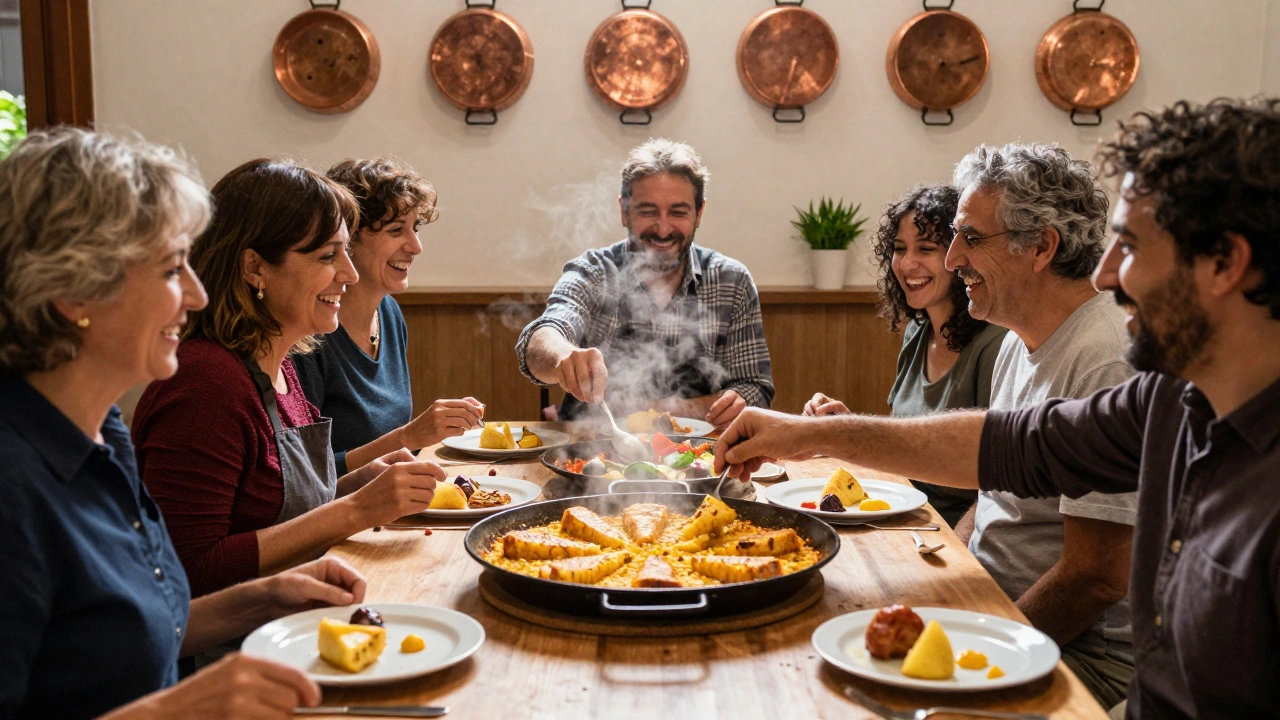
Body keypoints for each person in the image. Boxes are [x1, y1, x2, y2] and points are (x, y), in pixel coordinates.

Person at [714, 97, 1280, 718]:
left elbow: (1095, 579)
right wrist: (805, 436)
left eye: (1133, 246)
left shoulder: (1120, 362)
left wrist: (981, 646)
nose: (1108, 274)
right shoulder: (1173, 398)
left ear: (1226, 262)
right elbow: (1008, 446)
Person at [0, 128, 365, 719]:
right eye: (172, 269)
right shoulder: (14, 488)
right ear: (74, 291)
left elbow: (145, 629)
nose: (196, 295)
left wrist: (263, 596)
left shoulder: (100, 435)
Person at [773, 143, 1139, 710]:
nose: (951, 261)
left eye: (971, 238)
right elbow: (993, 493)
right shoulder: (1023, 336)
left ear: (1042, 247)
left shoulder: (1104, 358)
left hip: (1079, 648)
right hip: (996, 602)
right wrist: (945, 559)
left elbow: (1096, 579)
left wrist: (991, 642)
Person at [132, 158, 444, 597]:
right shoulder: (205, 387)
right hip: (237, 654)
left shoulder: (277, 368)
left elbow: (274, 510)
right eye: (327, 256)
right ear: (255, 267)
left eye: (345, 252)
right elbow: (187, 572)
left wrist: (362, 479)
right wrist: (354, 509)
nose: (349, 274)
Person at [516, 138, 773, 427]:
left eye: (678, 212)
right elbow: (541, 337)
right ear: (624, 211)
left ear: (699, 213)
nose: (663, 229)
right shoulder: (593, 271)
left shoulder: (731, 281)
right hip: (588, 455)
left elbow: (755, 389)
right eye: (647, 211)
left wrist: (663, 409)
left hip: (701, 458)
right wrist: (562, 355)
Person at [803, 184, 1006, 527]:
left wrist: (958, 551)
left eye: (926, 248)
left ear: (960, 256)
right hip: (904, 516)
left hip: (955, 532)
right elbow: (907, 444)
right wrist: (848, 424)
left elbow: (997, 484)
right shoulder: (918, 330)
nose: (907, 263)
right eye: (899, 249)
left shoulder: (995, 343)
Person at [293, 157, 483, 474]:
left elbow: (393, 451)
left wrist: (433, 431)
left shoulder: (389, 313)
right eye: (397, 230)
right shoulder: (308, 334)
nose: (416, 246)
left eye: (416, 228)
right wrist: (409, 436)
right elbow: (306, 478)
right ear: (347, 239)